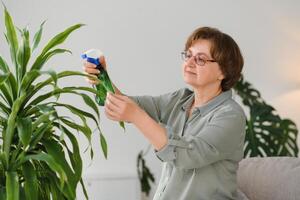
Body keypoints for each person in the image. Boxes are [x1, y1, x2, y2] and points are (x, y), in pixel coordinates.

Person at [83, 26, 246, 200]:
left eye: (201, 59)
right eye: (188, 55)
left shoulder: (231, 115)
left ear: (223, 71)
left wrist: (136, 116)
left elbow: (188, 155)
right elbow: (127, 104)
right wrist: (101, 77)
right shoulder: (179, 100)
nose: (189, 63)